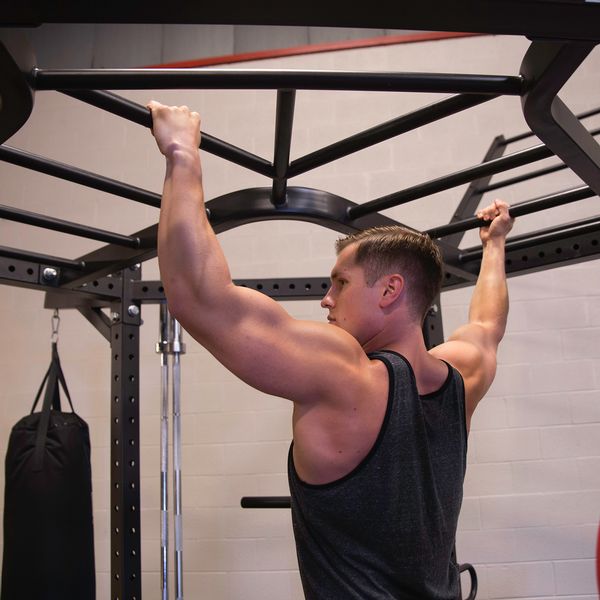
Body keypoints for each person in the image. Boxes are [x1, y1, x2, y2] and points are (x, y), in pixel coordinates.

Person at [147, 101, 514, 600]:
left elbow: (198, 297)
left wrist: (181, 153)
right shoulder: (461, 375)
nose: (326, 299)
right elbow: (488, 324)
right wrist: (494, 245)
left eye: (340, 283)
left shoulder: (346, 373)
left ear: (389, 290)